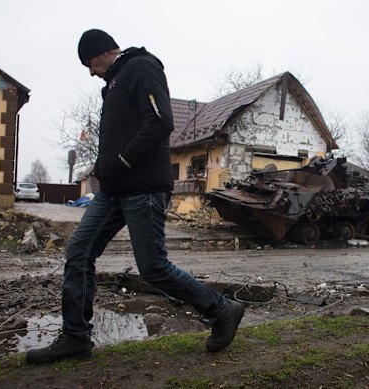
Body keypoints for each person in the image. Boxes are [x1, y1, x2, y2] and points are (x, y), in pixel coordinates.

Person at [26, 29, 245, 363]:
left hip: (143, 187)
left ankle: (222, 309)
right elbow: (118, 135)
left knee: (153, 267)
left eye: (89, 63)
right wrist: (103, 165)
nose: (89, 71)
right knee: (78, 254)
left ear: (102, 52)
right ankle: (76, 338)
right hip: (113, 191)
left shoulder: (141, 66)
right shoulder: (111, 86)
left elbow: (160, 121)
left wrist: (124, 159)